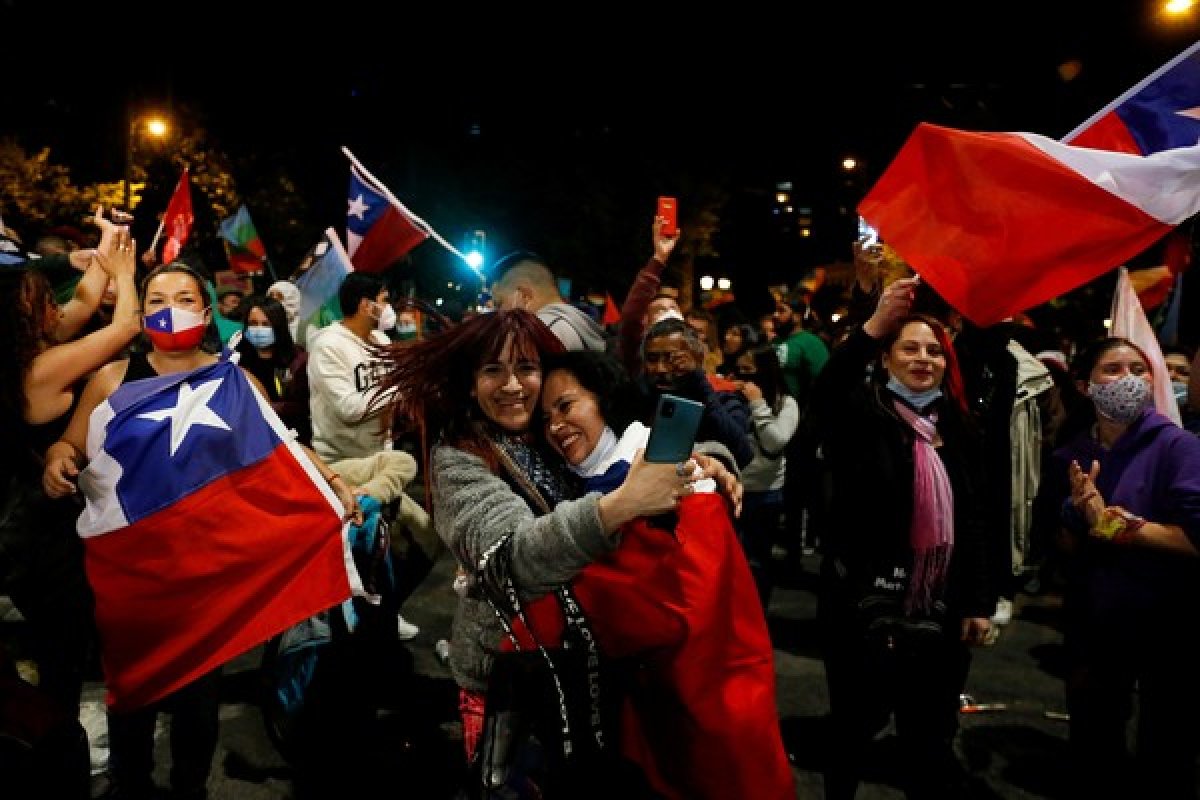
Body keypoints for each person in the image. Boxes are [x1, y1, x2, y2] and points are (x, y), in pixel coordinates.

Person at [41, 262, 358, 800]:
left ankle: (191, 789)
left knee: (197, 706)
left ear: (207, 312)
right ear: (141, 313)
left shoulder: (235, 380)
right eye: (157, 298)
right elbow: (70, 444)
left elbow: (282, 448)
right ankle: (131, 785)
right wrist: (58, 459)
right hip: (135, 580)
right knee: (132, 700)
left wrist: (329, 479)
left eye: (185, 298)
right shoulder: (112, 379)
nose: (170, 309)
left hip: (207, 582)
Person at [374, 309, 701, 795]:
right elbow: (513, 556)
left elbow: (628, 450)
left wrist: (710, 463)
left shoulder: (552, 428)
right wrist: (618, 506)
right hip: (509, 682)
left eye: (525, 368)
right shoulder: (458, 456)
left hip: (592, 664)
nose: (511, 385)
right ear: (470, 383)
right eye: (492, 370)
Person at [538, 349, 794, 799]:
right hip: (659, 708)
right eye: (546, 417)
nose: (556, 426)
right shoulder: (589, 481)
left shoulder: (670, 472)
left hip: (714, 701)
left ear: (604, 399)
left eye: (566, 406)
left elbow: (688, 602)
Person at [811, 277, 994, 799]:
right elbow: (825, 393)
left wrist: (978, 601)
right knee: (851, 730)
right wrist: (871, 326)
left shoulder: (958, 425)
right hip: (862, 605)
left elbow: (973, 517)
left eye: (934, 351)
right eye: (909, 348)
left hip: (940, 606)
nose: (923, 358)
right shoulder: (861, 415)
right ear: (886, 358)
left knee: (930, 739)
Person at [0, 208, 140, 716]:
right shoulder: (38, 369)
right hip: (42, 538)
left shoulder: (34, 346)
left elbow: (84, 299)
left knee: (66, 650)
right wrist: (125, 277)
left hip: (44, 522)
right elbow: (125, 327)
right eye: (41, 298)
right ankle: (54, 745)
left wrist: (109, 241)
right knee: (60, 655)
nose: (57, 305)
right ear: (21, 310)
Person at [1051, 336, 1200, 798]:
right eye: (1113, 369)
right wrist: (1076, 515)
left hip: (1167, 626)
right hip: (1096, 624)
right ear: (1084, 385)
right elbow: (1065, 549)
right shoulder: (1069, 455)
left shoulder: (1179, 448)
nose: (1129, 379)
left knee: (1165, 755)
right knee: (1095, 747)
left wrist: (1116, 526)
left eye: (1139, 369)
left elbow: (1195, 540)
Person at [732, 344, 799, 609]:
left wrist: (758, 405)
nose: (744, 378)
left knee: (757, 561)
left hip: (765, 492)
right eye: (740, 371)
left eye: (750, 372)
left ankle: (756, 613)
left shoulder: (786, 403)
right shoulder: (734, 398)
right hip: (732, 488)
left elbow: (775, 442)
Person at [490, 251, 608, 352]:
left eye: (499, 304)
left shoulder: (546, 331)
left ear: (524, 296)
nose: (497, 313)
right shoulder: (572, 324)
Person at [235, 294, 311, 444]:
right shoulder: (238, 360)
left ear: (278, 326)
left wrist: (267, 408)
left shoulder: (298, 360)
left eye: (265, 324)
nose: (258, 329)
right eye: (253, 323)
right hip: (252, 438)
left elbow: (305, 404)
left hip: (294, 438)